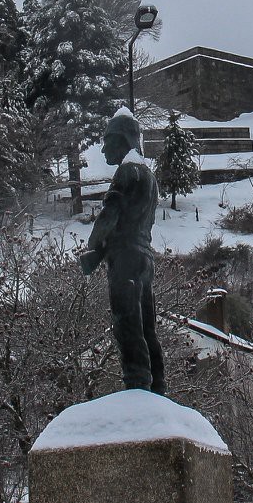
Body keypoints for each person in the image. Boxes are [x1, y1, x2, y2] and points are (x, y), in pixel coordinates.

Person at [79, 109, 165, 394]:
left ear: (122, 140)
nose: (103, 148)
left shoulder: (126, 172)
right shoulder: (149, 176)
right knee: (147, 328)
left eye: (107, 141)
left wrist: (92, 249)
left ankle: (137, 386)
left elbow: (111, 215)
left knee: (127, 324)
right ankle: (157, 387)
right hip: (145, 259)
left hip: (126, 260)